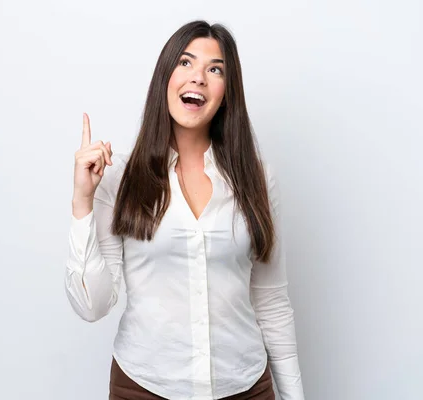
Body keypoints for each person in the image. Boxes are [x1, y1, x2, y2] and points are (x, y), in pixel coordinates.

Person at [65, 20, 305, 400]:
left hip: (243, 386)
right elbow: (93, 305)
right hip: (144, 386)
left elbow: (272, 302)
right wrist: (82, 201)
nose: (199, 78)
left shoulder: (257, 179)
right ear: (165, 78)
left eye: (215, 69)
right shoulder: (120, 178)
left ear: (227, 93)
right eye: (185, 63)